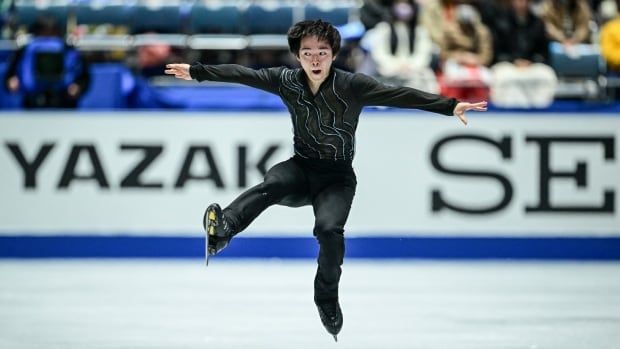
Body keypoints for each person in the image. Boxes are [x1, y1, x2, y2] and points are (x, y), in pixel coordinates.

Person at [165, 19, 486, 341]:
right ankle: (224, 229)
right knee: (272, 184)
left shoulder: (353, 85)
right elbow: (244, 75)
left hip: (337, 179)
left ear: (333, 54)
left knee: (329, 230)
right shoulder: (285, 81)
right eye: (307, 52)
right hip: (300, 169)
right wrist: (198, 71)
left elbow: (399, 94)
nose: (315, 59)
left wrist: (449, 105)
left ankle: (326, 298)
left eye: (322, 52)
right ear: (297, 56)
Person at [4, 15, 89, 109]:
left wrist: (78, 87)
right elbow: (10, 75)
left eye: (52, 33)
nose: (48, 39)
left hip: (64, 104)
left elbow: (84, 77)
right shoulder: (24, 50)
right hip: (33, 104)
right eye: (44, 33)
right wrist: (12, 81)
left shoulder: (69, 50)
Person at [490, 0, 558, 108]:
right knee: (502, 77)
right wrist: (514, 60)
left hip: (532, 64)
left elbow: (543, 52)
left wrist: (532, 60)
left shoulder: (538, 23)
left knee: (547, 75)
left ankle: (541, 113)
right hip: (508, 64)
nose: (521, 3)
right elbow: (497, 51)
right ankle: (505, 112)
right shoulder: (500, 21)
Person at [363, 0, 439, 93]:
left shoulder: (420, 30)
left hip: (413, 70)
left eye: (407, 4)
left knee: (424, 82)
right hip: (389, 72)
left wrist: (411, 65)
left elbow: (423, 53)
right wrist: (396, 65)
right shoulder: (383, 28)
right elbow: (379, 53)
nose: (403, 7)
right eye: (399, 3)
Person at [439, 4, 493, 101]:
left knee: (487, 78)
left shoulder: (481, 31)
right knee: (453, 76)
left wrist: (475, 59)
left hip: (476, 62)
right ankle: (452, 105)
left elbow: (487, 55)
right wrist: (459, 56)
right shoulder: (449, 30)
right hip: (455, 62)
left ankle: (483, 105)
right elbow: (443, 53)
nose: (466, 27)